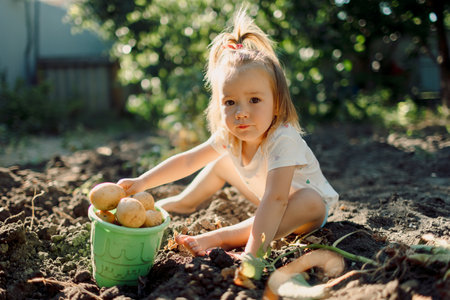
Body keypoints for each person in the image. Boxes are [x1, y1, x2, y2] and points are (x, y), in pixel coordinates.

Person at [117, 9, 338, 259]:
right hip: (268, 199)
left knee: (308, 200)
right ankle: (182, 202)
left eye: (254, 100)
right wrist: (142, 182)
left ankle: (222, 238)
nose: (241, 113)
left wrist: (253, 257)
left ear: (276, 104)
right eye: (230, 102)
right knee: (220, 160)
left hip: (304, 213)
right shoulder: (230, 136)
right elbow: (189, 160)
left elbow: (277, 200)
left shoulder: (283, 138)